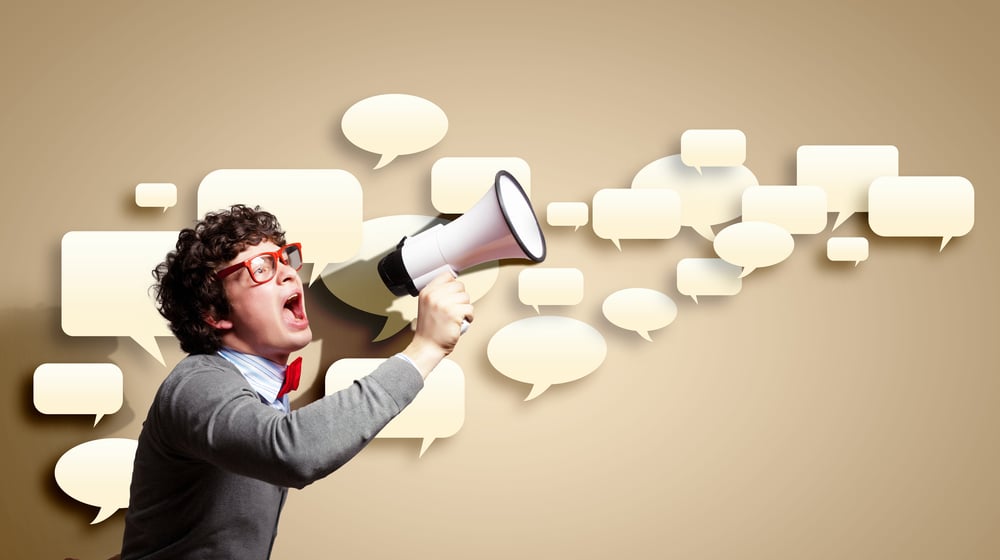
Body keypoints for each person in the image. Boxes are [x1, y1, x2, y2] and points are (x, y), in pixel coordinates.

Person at [121, 204, 473, 559]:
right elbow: (293, 450)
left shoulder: (262, 388)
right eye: (261, 268)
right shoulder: (196, 384)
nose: (289, 274)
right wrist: (425, 349)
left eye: (285, 259)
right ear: (214, 313)